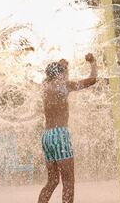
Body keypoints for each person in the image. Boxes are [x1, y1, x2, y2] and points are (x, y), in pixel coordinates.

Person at [37, 53, 98, 203]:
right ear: (61, 74)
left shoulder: (45, 86)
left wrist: (61, 65)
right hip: (60, 135)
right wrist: (93, 62)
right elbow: (92, 80)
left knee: (52, 181)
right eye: (64, 72)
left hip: (47, 136)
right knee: (68, 182)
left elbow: (54, 74)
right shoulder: (64, 85)